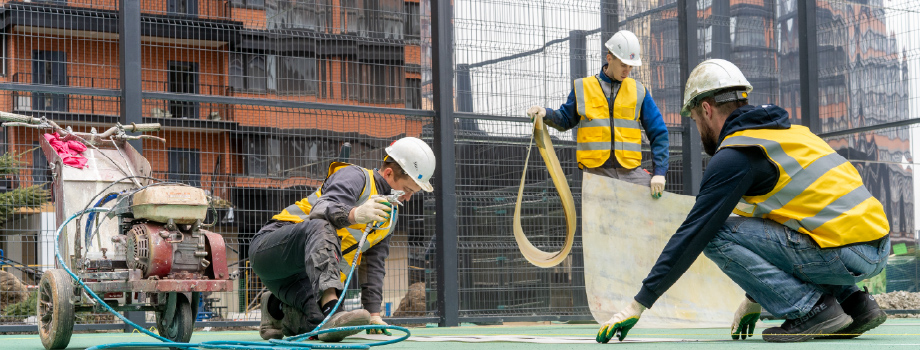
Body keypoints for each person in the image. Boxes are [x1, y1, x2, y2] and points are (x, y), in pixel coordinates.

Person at [595, 59, 890, 343]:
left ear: (707, 110)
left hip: (843, 253)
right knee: (762, 226)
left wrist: (637, 305)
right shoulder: (791, 134)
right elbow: (779, 228)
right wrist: (755, 298)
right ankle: (856, 303)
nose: (698, 129)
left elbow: (693, 235)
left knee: (714, 233)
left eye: (696, 119)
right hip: (876, 246)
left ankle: (810, 308)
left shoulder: (737, 153)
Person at [250, 137, 436, 342]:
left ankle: (275, 307)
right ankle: (330, 306)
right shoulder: (355, 176)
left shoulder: (388, 217)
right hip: (271, 252)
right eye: (408, 190)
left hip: (307, 279)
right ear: (389, 173)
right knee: (321, 224)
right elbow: (321, 210)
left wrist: (373, 314)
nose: (408, 198)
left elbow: (373, 264)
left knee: (321, 325)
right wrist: (356, 214)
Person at [527, 29, 669, 198]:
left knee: (652, 209)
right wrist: (545, 113)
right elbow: (565, 119)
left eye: (630, 66)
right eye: (623, 65)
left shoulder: (639, 91)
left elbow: (659, 133)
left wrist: (659, 173)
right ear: (609, 58)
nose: (627, 70)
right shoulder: (583, 88)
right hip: (596, 176)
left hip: (631, 173)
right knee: (601, 224)